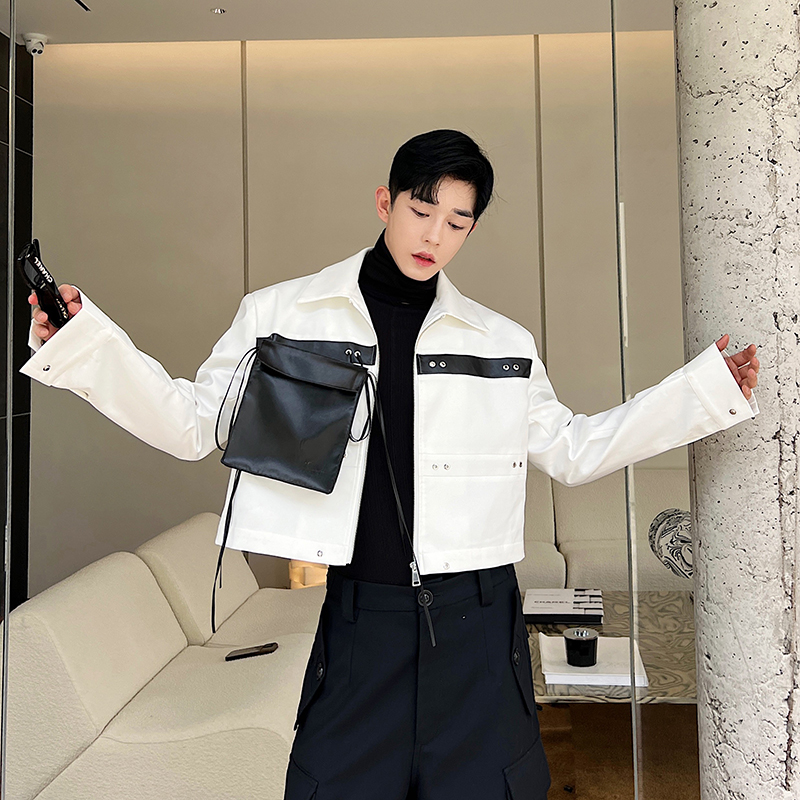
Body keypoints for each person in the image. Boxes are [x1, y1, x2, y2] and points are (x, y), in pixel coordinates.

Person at [23, 130, 760, 799]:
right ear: (386, 202)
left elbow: (573, 448)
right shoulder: (282, 315)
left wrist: (705, 393)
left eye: (457, 223)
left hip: (476, 621)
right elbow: (193, 424)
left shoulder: (500, 341)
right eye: (421, 210)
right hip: (361, 615)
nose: (434, 235)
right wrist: (84, 342)